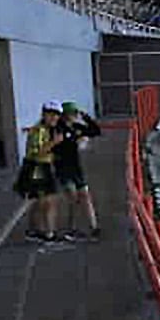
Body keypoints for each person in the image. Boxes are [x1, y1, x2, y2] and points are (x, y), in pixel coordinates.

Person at [54, 102, 103, 240]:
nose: (75, 115)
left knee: (85, 195)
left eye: (76, 113)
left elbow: (95, 131)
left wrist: (86, 117)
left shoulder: (76, 127)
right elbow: (56, 147)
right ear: (65, 115)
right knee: (73, 196)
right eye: (73, 113)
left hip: (75, 167)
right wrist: (74, 141)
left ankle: (94, 227)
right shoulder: (59, 129)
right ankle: (71, 228)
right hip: (62, 167)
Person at [17, 104, 65, 241]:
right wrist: (54, 143)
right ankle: (48, 232)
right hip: (38, 167)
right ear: (44, 114)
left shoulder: (48, 129)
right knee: (47, 200)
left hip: (43, 166)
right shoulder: (39, 130)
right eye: (51, 114)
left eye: (56, 114)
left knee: (40, 200)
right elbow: (38, 153)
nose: (55, 117)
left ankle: (36, 229)